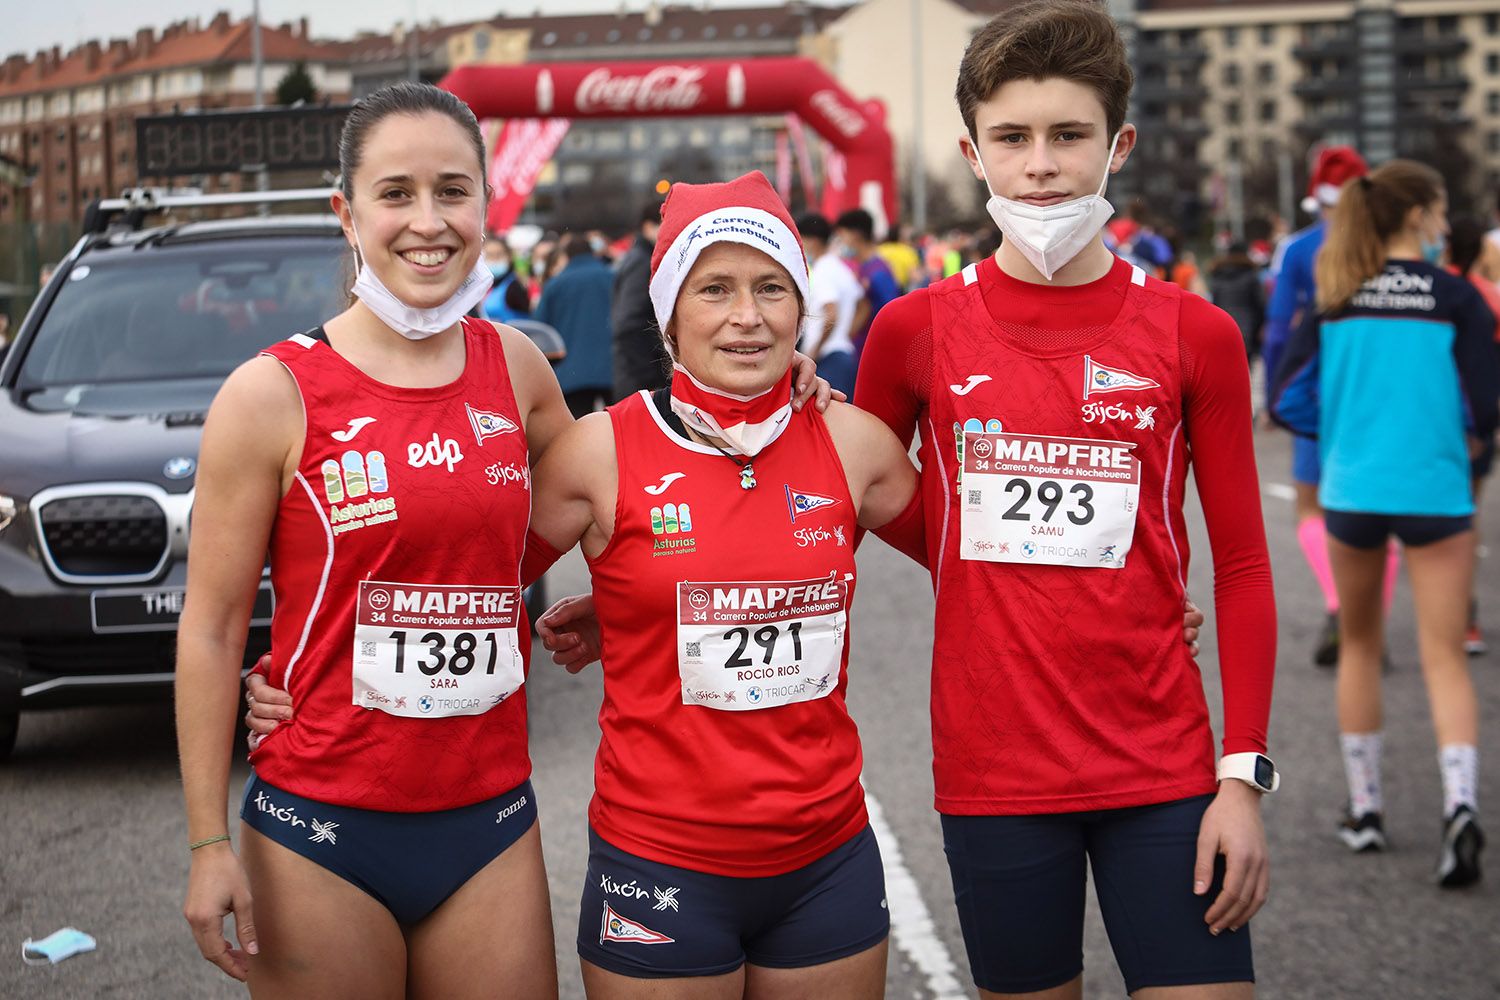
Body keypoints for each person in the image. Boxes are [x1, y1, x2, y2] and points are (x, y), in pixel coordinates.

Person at [854, 2, 1277, 995]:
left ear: (1117, 143)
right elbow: (870, 503)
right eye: (1013, 138)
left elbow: (1249, 567)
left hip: (1164, 765)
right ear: (973, 150)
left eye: (1068, 135)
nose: (1041, 163)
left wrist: (1242, 776)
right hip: (996, 770)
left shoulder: (1197, 332)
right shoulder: (911, 331)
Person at [175, 82, 571, 997]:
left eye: (453, 191)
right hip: (321, 832)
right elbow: (210, 628)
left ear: (484, 204)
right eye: (395, 193)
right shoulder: (267, 394)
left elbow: (615, 486)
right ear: (345, 212)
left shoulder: (514, 366)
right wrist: (205, 843)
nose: (427, 222)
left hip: (491, 823)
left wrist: (777, 378)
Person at [1274, 162, 1498, 887]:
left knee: (1362, 644)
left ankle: (1365, 811)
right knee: (1442, 656)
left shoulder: (1338, 298)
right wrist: (1464, 438)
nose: (1442, 225)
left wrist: (1343, 431)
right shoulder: (1458, 296)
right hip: (1436, 489)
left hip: (1354, 488)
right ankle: (1459, 807)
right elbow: (1488, 404)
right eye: (1437, 213)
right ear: (1418, 217)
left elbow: (1287, 397)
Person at [1265, 145, 1391, 669]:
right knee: (1381, 512)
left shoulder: (1298, 250)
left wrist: (1276, 398)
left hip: (1315, 398)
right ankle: (1371, 622)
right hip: (1380, 397)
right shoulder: (1390, 247)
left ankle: (1339, 603)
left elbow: (1278, 332)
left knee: (1313, 507)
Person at [1447, 214, 1500, 657]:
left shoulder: (1436, 290)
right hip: (1475, 430)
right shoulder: (1483, 297)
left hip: (1428, 427)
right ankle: (1465, 620)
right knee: (1465, 521)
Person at [538, 232, 616, 418]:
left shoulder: (555, 285)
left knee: (578, 432)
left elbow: (541, 329)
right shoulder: (612, 277)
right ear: (592, 253)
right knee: (619, 430)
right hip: (612, 369)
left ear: (567, 256)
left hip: (571, 372)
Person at [798, 211, 867, 398]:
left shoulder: (823, 271)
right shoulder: (839, 267)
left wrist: (815, 349)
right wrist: (844, 334)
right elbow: (863, 306)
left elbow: (832, 312)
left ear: (812, 240)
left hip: (829, 358)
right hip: (843, 352)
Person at [611, 201, 668, 398]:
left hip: (638, 377)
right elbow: (628, 323)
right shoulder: (642, 262)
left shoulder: (642, 257)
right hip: (640, 382)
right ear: (648, 227)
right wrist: (651, 376)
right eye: (664, 224)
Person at [833, 208, 901, 360]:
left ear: (855, 235)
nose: (840, 242)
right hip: (859, 351)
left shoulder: (878, 273)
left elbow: (892, 316)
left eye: (842, 236)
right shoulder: (862, 268)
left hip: (875, 354)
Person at [1207, 240, 1266, 364]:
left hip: (1222, 329)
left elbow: (1213, 303)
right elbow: (1260, 304)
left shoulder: (1217, 275)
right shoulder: (1251, 275)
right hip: (1246, 330)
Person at [481, 234, 530, 323]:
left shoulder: (514, 287)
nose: (494, 259)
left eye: (499, 255)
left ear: (509, 257)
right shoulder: (483, 285)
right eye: (490, 255)